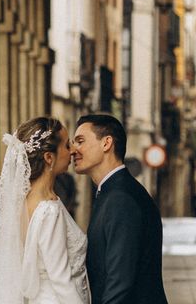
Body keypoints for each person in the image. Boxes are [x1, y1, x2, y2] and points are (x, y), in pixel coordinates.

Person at [0, 117, 90, 303]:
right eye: (66, 145)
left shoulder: (21, 205)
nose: (73, 150)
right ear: (49, 157)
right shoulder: (49, 210)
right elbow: (61, 280)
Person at [72, 114, 168, 304]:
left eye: (80, 141)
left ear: (107, 143)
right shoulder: (112, 191)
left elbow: (120, 283)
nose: (73, 150)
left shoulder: (120, 199)